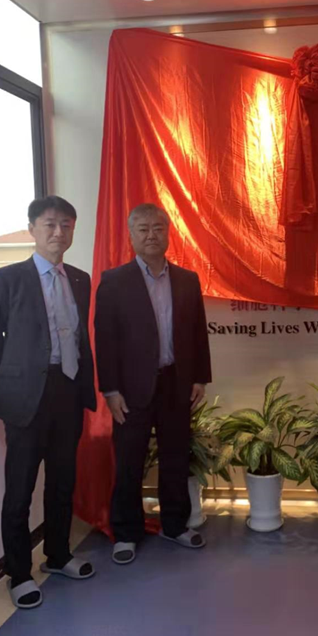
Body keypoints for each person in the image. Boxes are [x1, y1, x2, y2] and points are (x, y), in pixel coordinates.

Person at [0, 196, 96, 610]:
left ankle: (58, 555)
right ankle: (18, 574)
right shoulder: (6, 279)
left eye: (66, 225)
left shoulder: (80, 279)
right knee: (20, 488)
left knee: (63, 479)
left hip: (69, 390)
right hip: (27, 397)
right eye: (50, 224)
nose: (58, 232)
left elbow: (80, 337)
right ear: (33, 229)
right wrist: (14, 379)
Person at [95, 203, 212, 564]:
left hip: (176, 383)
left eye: (158, 228)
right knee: (129, 461)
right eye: (143, 229)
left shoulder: (187, 280)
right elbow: (105, 340)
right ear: (131, 236)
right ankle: (126, 532)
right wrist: (110, 390)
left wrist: (200, 377)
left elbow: (198, 333)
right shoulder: (114, 281)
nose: (151, 235)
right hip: (131, 390)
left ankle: (174, 526)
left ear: (168, 233)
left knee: (175, 457)